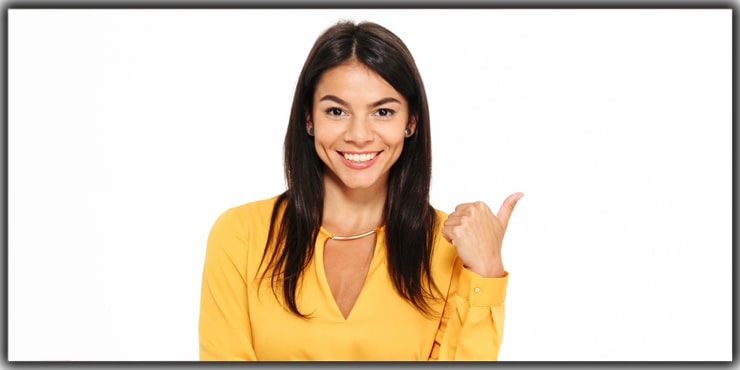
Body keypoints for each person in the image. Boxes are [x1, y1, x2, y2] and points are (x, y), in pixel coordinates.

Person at [198, 20, 523, 361]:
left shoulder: (449, 246)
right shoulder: (240, 236)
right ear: (309, 118)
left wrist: (486, 273)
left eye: (383, 112)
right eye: (336, 111)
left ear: (411, 122)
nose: (359, 135)